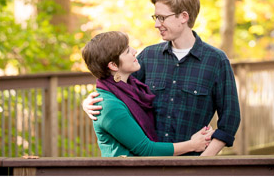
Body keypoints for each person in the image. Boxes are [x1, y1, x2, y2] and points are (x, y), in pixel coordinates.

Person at [82, 0, 241, 156]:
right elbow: (117, 86)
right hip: (150, 166)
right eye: (155, 17)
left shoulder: (216, 61)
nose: (157, 24)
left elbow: (230, 120)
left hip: (193, 166)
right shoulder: (148, 57)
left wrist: (203, 162)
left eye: (162, 18)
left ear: (184, 16)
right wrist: (89, 102)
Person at [81, 31, 213, 157]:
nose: (134, 51)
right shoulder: (108, 106)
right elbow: (147, 149)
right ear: (114, 65)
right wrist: (193, 145)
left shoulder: (131, 89)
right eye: (127, 51)